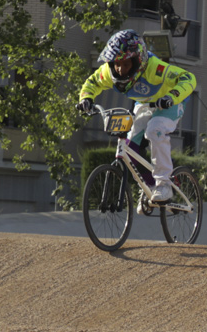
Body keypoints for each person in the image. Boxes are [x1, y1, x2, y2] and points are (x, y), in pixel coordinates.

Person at [76, 29, 196, 204]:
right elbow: (92, 82)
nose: (120, 70)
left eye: (126, 65)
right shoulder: (110, 72)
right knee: (129, 149)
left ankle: (164, 185)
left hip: (170, 103)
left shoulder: (155, 69)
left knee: (155, 130)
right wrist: (86, 98)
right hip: (145, 105)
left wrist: (171, 97)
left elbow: (188, 78)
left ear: (138, 61)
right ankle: (150, 187)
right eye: (116, 64)